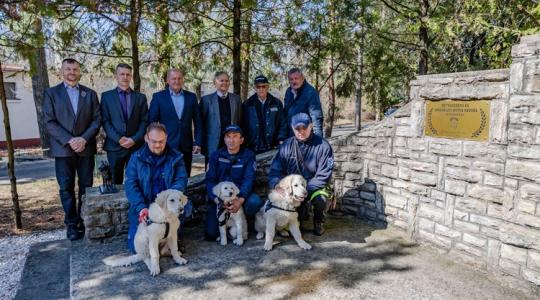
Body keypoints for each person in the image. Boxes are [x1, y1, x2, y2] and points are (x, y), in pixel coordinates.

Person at [43, 58, 101, 241]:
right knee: (66, 188)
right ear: (62, 71)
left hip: (86, 147)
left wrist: (83, 139)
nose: (72, 72)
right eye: (68, 69)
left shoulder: (90, 94)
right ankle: (71, 224)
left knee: (86, 186)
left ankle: (85, 220)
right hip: (63, 150)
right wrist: (70, 140)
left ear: (79, 71)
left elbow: (97, 120)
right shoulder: (51, 93)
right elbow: (49, 122)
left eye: (75, 69)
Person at [124, 123, 191, 253]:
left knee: (186, 207)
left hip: (167, 206)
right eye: (154, 141)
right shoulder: (136, 158)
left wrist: (169, 203)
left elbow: (180, 181)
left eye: (161, 141)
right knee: (136, 249)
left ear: (166, 138)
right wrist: (141, 207)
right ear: (146, 138)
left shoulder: (176, 157)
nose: (158, 145)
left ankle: (171, 235)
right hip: (145, 205)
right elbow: (131, 185)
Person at [268, 113, 334, 236]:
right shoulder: (286, 146)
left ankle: (319, 221)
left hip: (314, 186)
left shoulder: (323, 146)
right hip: (293, 188)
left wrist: (304, 190)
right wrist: (276, 184)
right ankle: (299, 216)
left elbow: (323, 176)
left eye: (304, 128)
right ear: (292, 128)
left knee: (321, 200)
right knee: (297, 223)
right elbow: (275, 171)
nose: (301, 131)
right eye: (297, 129)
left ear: (311, 126)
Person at [204, 125, 263, 241]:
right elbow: (210, 180)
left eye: (235, 137)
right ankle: (227, 227)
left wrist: (240, 200)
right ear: (224, 139)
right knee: (211, 234)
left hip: (239, 196)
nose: (231, 140)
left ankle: (242, 223)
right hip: (220, 199)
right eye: (228, 137)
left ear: (241, 140)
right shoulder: (216, 156)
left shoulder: (249, 156)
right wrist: (217, 200)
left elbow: (248, 179)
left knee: (255, 202)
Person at [100, 63, 148, 184]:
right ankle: (117, 203)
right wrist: (119, 139)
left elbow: (145, 121)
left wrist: (134, 139)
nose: (125, 77)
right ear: (116, 76)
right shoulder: (106, 97)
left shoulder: (140, 98)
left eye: (128, 74)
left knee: (136, 180)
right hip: (114, 146)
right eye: (122, 74)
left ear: (131, 76)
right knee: (115, 182)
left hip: (136, 146)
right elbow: (105, 121)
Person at [148, 68, 202, 176]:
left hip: (186, 145)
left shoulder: (191, 97)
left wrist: (198, 142)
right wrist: (153, 142)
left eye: (179, 78)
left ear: (183, 80)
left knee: (185, 176)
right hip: (165, 144)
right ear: (168, 80)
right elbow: (151, 122)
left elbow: (198, 122)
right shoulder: (158, 97)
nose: (176, 81)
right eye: (173, 78)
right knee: (165, 176)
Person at [200, 71, 242, 161]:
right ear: (215, 82)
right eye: (221, 80)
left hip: (231, 143)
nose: (224, 83)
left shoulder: (236, 99)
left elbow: (239, 121)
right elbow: (201, 124)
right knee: (212, 172)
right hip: (213, 144)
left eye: (226, 81)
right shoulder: (206, 100)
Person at [241, 75, 287, 154]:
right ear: (255, 88)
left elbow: (282, 123)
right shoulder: (247, 104)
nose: (261, 89)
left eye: (263, 86)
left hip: (272, 147)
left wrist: (281, 139)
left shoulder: (276, 103)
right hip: (252, 148)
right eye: (258, 87)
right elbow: (243, 125)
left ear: (268, 87)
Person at [283, 68, 324, 137]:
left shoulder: (310, 92)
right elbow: (285, 114)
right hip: (291, 136)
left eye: (296, 78)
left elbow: (316, 117)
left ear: (302, 78)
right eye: (291, 79)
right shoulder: (288, 92)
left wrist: (318, 138)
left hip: (305, 136)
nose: (294, 81)